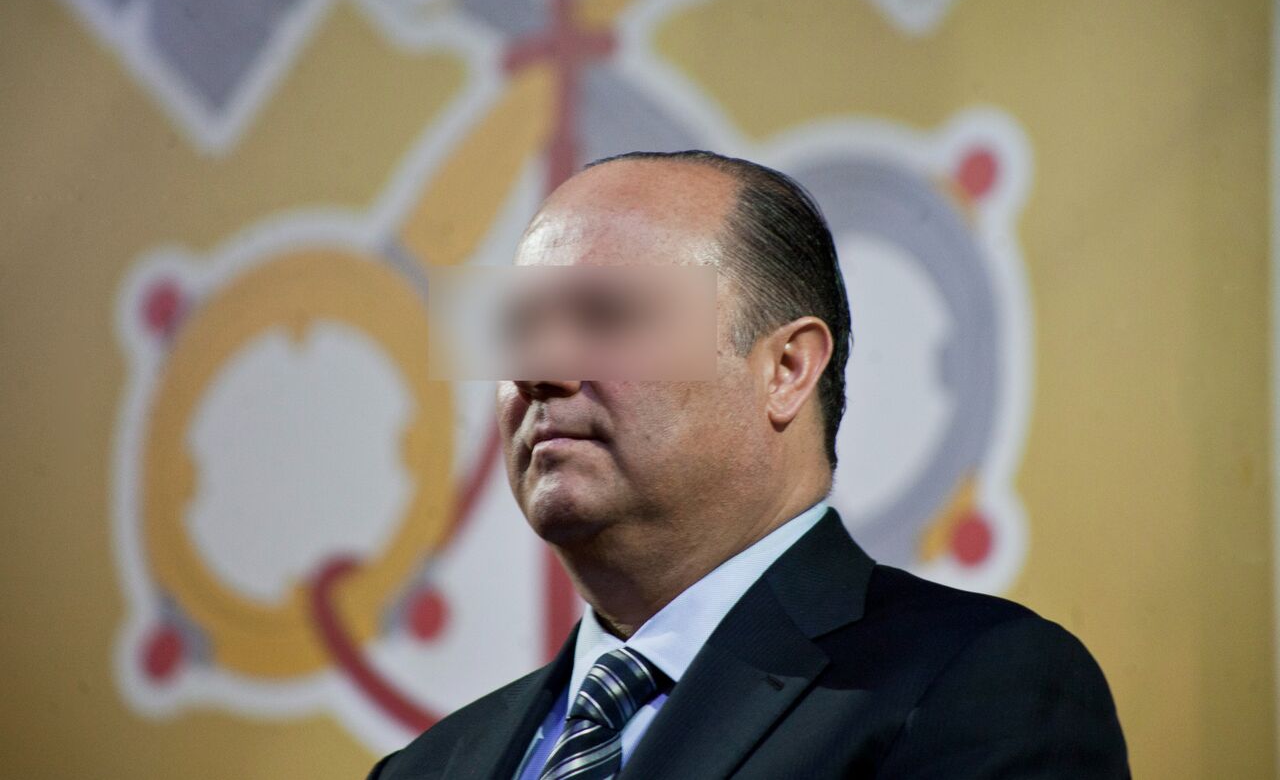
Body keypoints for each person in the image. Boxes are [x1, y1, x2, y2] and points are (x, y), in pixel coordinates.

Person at [369, 150, 1129, 779]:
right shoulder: (424, 768)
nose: (540, 368)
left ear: (787, 369)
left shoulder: (974, 686)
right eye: (521, 327)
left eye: (608, 316)